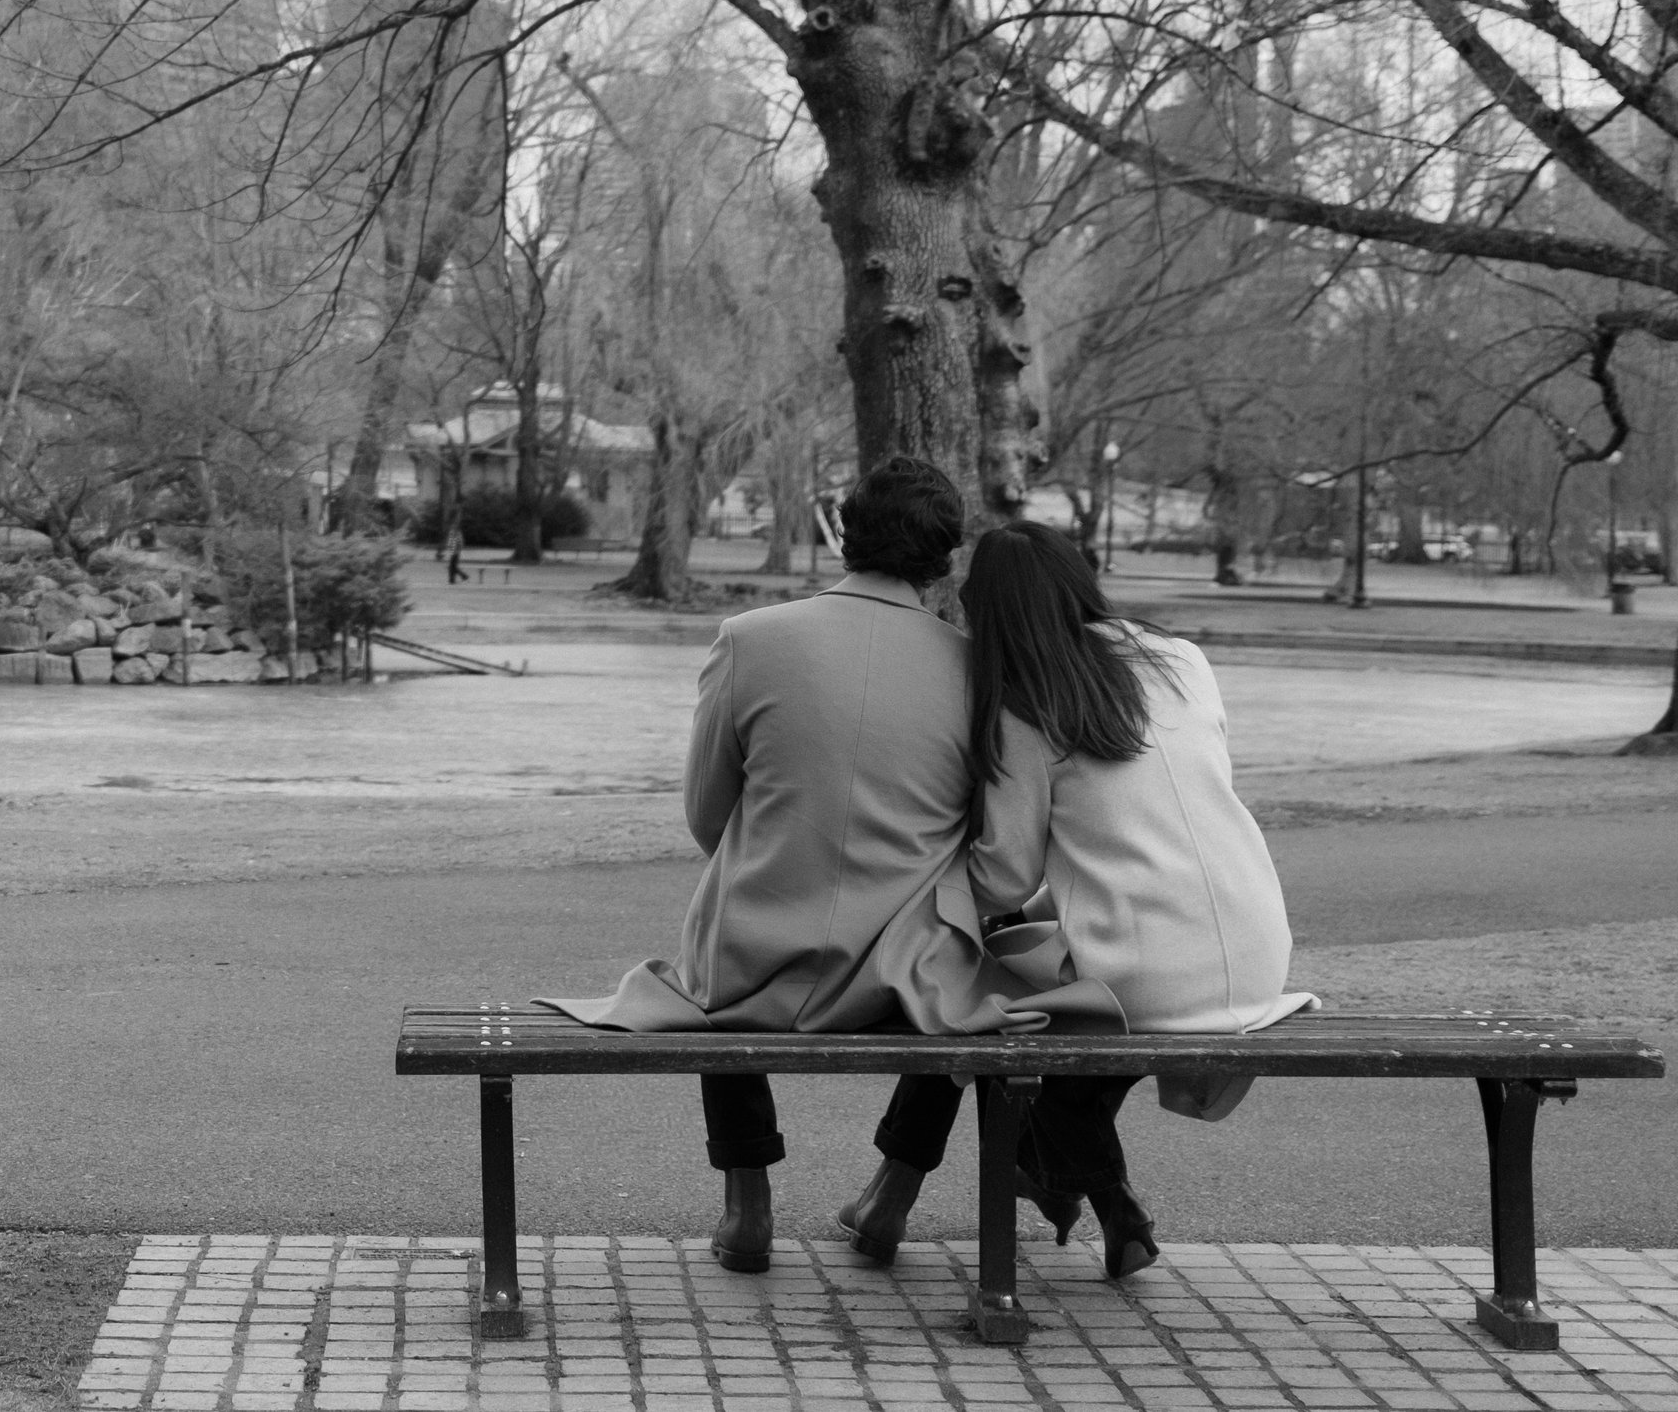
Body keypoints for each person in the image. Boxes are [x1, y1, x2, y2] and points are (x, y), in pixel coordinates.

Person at [834, 520, 1313, 1279]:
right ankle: (1095, 1197)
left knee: (956, 986)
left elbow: (1003, 877)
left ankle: (904, 1195)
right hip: (1255, 952)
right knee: (1029, 1003)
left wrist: (933, 883)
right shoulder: (1182, 660)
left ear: (987, 612)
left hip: (1145, 976)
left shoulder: (1023, 704)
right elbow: (1156, 823)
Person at [539, 456, 978, 1272]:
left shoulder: (752, 639)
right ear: (944, 558)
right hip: (902, 976)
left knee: (714, 931)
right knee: (971, 972)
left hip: (756, 961)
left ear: (846, 534)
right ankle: (893, 1192)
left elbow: (708, 813)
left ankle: (748, 1204)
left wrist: (772, 865)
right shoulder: (973, 667)